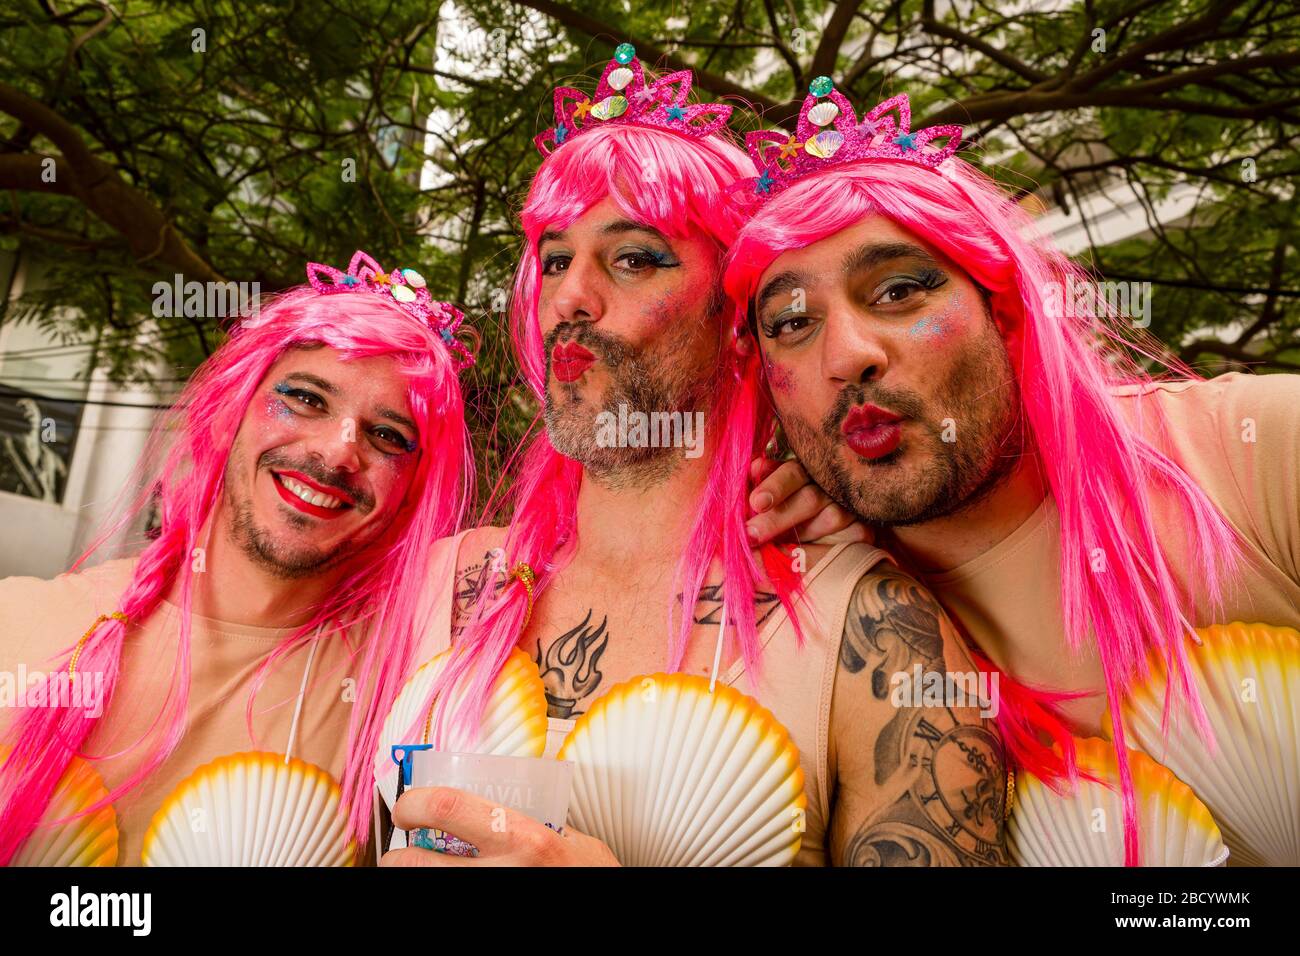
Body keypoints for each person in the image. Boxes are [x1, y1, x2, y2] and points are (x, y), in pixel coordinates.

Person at [382, 48, 1011, 867]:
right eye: (555, 260)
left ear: (735, 322)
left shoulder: (874, 629)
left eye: (635, 257)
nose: (569, 296)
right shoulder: (439, 582)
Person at [725, 79, 1300, 862]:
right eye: (791, 323)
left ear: (1002, 307)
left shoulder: (1259, 454)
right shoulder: (821, 626)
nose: (846, 355)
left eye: (897, 290)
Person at [0, 251, 475, 866]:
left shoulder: (404, 711)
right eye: (305, 398)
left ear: (412, 486)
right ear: (232, 411)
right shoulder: (19, 626)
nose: (337, 454)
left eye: (388, 436)